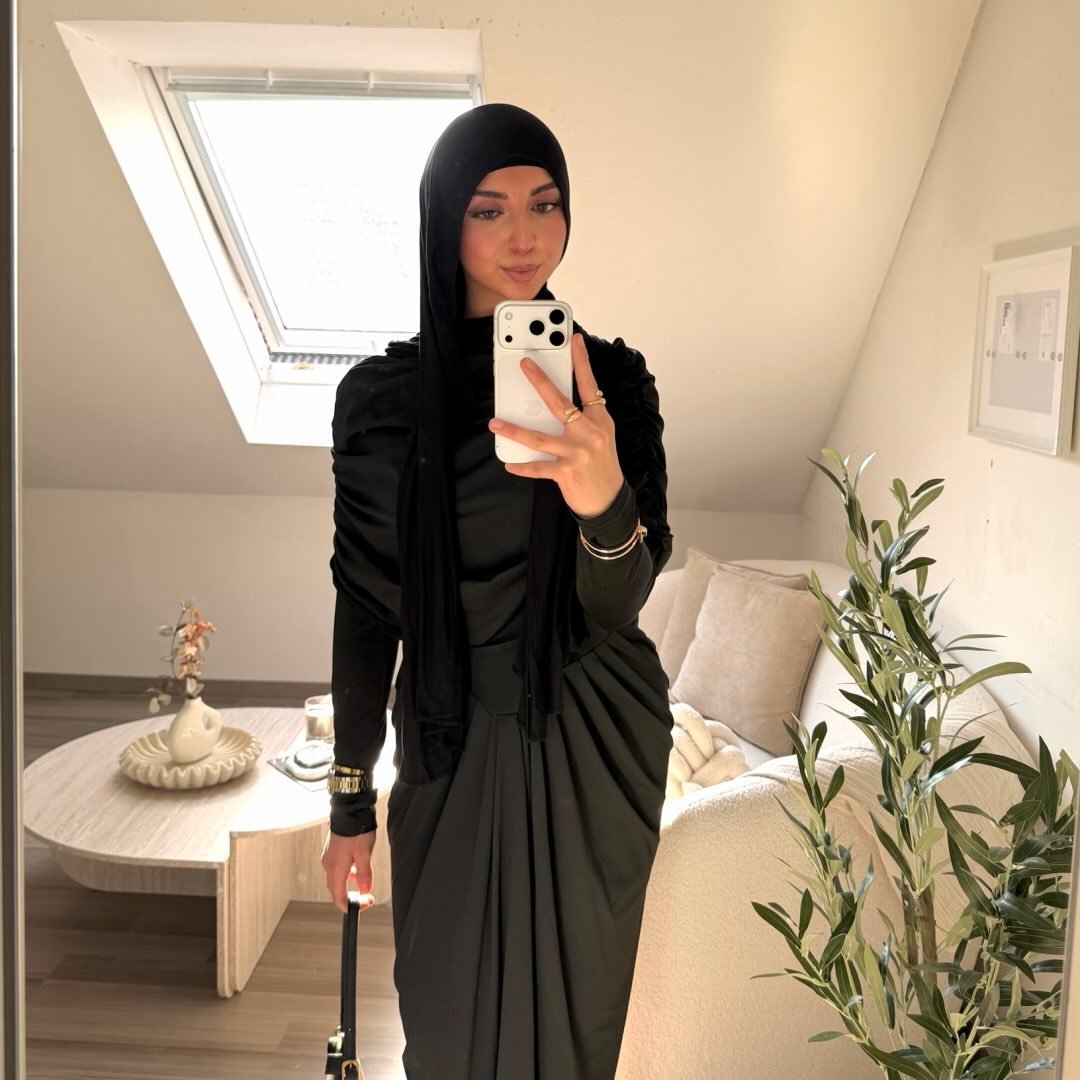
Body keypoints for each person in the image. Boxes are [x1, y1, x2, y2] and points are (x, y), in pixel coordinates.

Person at [320, 102, 674, 1080]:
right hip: (448, 733)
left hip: (592, 728)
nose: (525, 236)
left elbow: (621, 603)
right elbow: (366, 612)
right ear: (446, 222)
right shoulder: (381, 406)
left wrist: (601, 499)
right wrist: (350, 808)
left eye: (545, 204)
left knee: (577, 1027)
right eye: (489, 209)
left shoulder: (614, 386)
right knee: (444, 1017)